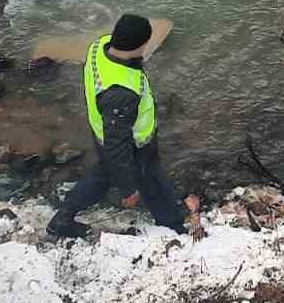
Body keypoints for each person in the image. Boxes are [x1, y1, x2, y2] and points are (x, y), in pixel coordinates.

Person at [48, 14, 193, 239]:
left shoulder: (100, 46)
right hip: (132, 143)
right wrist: (128, 189)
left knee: (103, 175)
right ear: (139, 45)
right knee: (149, 179)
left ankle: (63, 219)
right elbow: (117, 144)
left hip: (102, 132)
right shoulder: (121, 93)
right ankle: (173, 226)